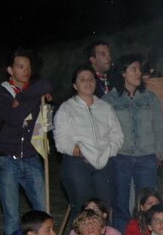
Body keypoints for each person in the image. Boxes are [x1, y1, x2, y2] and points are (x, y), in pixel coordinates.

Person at [0, 50, 53, 235]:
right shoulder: (1, 92)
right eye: (20, 67)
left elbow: (47, 83)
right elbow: (12, 117)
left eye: (28, 67)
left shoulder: (32, 88)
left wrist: (21, 99)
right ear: (10, 70)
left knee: (42, 210)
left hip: (31, 157)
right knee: (12, 214)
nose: (26, 71)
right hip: (6, 160)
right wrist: (33, 97)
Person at [104, 54, 163, 231]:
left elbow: (159, 126)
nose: (139, 73)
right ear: (123, 73)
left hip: (147, 157)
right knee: (121, 203)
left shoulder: (150, 98)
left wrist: (160, 151)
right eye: (134, 69)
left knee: (148, 204)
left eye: (139, 69)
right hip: (121, 157)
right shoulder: (110, 100)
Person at [53, 64, 124, 212]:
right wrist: (81, 151)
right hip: (78, 164)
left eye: (91, 79)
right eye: (82, 79)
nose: (88, 82)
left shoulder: (105, 107)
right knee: (82, 208)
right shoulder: (66, 109)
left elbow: (117, 135)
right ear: (75, 85)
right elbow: (61, 141)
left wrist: (108, 151)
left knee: (103, 209)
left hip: (104, 163)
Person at [62, 197, 127, 235]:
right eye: (87, 210)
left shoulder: (114, 234)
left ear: (104, 215)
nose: (91, 212)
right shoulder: (75, 233)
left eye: (95, 209)